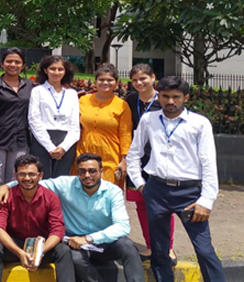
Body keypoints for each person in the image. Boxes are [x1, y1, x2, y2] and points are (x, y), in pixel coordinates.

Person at [127, 76, 226, 282]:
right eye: (165, 96)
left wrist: (206, 201)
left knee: (204, 250)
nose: (170, 101)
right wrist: (141, 184)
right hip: (156, 190)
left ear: (185, 98)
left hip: (189, 193)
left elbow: (208, 163)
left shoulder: (199, 123)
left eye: (176, 97)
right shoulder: (149, 119)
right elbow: (134, 153)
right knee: (160, 250)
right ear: (159, 96)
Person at [0, 153, 145, 282]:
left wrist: (89, 238)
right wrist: (5, 186)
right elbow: (30, 181)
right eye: (82, 171)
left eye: (92, 171)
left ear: (101, 171)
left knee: (128, 246)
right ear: (77, 172)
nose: (87, 175)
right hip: (75, 242)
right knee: (74, 258)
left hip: (103, 241)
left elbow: (123, 226)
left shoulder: (113, 191)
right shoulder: (65, 184)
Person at [0, 154, 74, 282]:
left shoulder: (50, 197)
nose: (27, 178)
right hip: (14, 245)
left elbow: (57, 230)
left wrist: (39, 252)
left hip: (42, 246)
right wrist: (19, 252)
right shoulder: (6, 196)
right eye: (22, 174)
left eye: (32, 174)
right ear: (15, 175)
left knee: (63, 250)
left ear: (40, 176)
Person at [125, 64, 176, 263]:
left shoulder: (163, 100)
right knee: (142, 204)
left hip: (159, 158)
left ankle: (168, 247)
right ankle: (149, 245)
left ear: (153, 77)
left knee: (163, 205)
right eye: (135, 80)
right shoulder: (130, 100)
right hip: (137, 158)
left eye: (143, 78)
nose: (139, 83)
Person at [0, 48, 33, 208]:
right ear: (2, 64)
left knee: (14, 182)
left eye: (17, 62)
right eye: (9, 61)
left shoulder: (29, 86)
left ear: (23, 65)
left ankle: (10, 218)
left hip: (20, 142)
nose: (13, 64)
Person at [74, 63, 132, 188]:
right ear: (95, 82)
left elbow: (125, 135)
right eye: (101, 79)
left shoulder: (122, 105)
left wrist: (124, 160)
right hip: (84, 152)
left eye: (110, 80)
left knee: (108, 191)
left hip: (110, 155)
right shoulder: (83, 101)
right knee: (81, 190)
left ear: (116, 83)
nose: (105, 82)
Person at [28, 55, 79, 180]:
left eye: (60, 69)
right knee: (42, 180)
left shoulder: (71, 94)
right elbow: (34, 120)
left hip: (66, 141)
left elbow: (75, 124)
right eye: (52, 69)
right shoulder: (38, 91)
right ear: (45, 70)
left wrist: (63, 147)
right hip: (42, 139)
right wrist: (50, 147)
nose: (56, 72)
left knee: (62, 181)